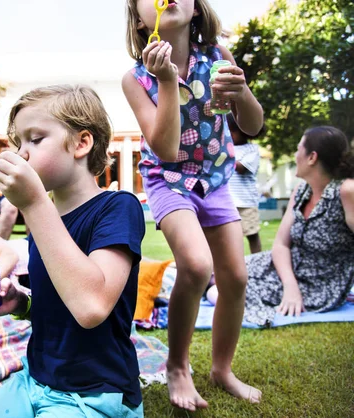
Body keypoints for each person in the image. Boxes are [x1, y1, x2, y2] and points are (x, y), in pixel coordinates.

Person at [0, 85, 146, 418]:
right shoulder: (45, 219)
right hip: (35, 379)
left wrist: (33, 203)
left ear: (81, 143)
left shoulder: (118, 208)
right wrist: (21, 301)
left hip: (94, 392)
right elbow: (60, 305)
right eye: (18, 142)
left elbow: (90, 307)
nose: (21, 153)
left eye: (35, 139)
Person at [122, 0, 264, 410]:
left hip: (216, 178)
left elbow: (251, 126)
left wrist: (243, 93)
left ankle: (222, 369)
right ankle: (178, 367)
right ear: (138, 18)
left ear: (197, 9)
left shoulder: (218, 56)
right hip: (168, 181)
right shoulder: (135, 80)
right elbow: (165, 148)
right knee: (198, 265)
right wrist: (167, 81)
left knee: (236, 276)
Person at [237, 126, 354, 325]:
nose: (294, 154)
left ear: (312, 157)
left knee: (222, 288)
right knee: (225, 272)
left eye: (299, 148)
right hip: (288, 271)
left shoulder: (346, 190)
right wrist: (290, 286)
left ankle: (260, 315)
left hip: (319, 285)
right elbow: (281, 244)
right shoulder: (301, 191)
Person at [227, 113, 264, 254]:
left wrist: (224, 159)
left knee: (252, 234)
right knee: (230, 236)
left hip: (246, 202)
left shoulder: (251, 150)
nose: (228, 134)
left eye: (232, 131)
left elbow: (242, 168)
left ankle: (257, 259)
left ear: (243, 131)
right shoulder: (225, 147)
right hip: (228, 201)